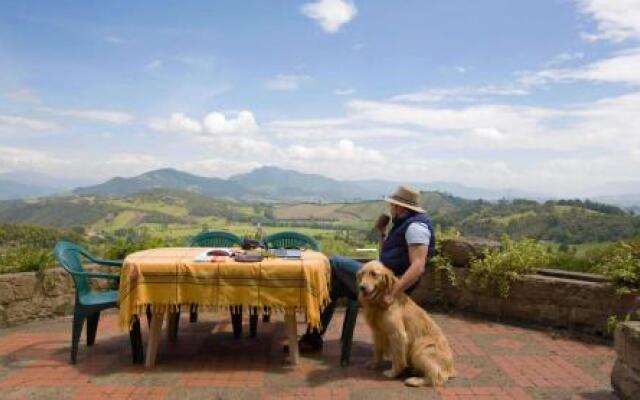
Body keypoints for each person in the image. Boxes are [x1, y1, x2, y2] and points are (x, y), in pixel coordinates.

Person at [299, 185, 436, 351]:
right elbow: (386, 259)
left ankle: (309, 328)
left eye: (392, 205)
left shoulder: (415, 228)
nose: (390, 208)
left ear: (400, 207)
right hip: (379, 283)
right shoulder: (403, 224)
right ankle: (312, 338)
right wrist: (381, 233)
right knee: (332, 288)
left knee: (334, 262)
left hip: (388, 287)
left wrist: (392, 294)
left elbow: (418, 266)